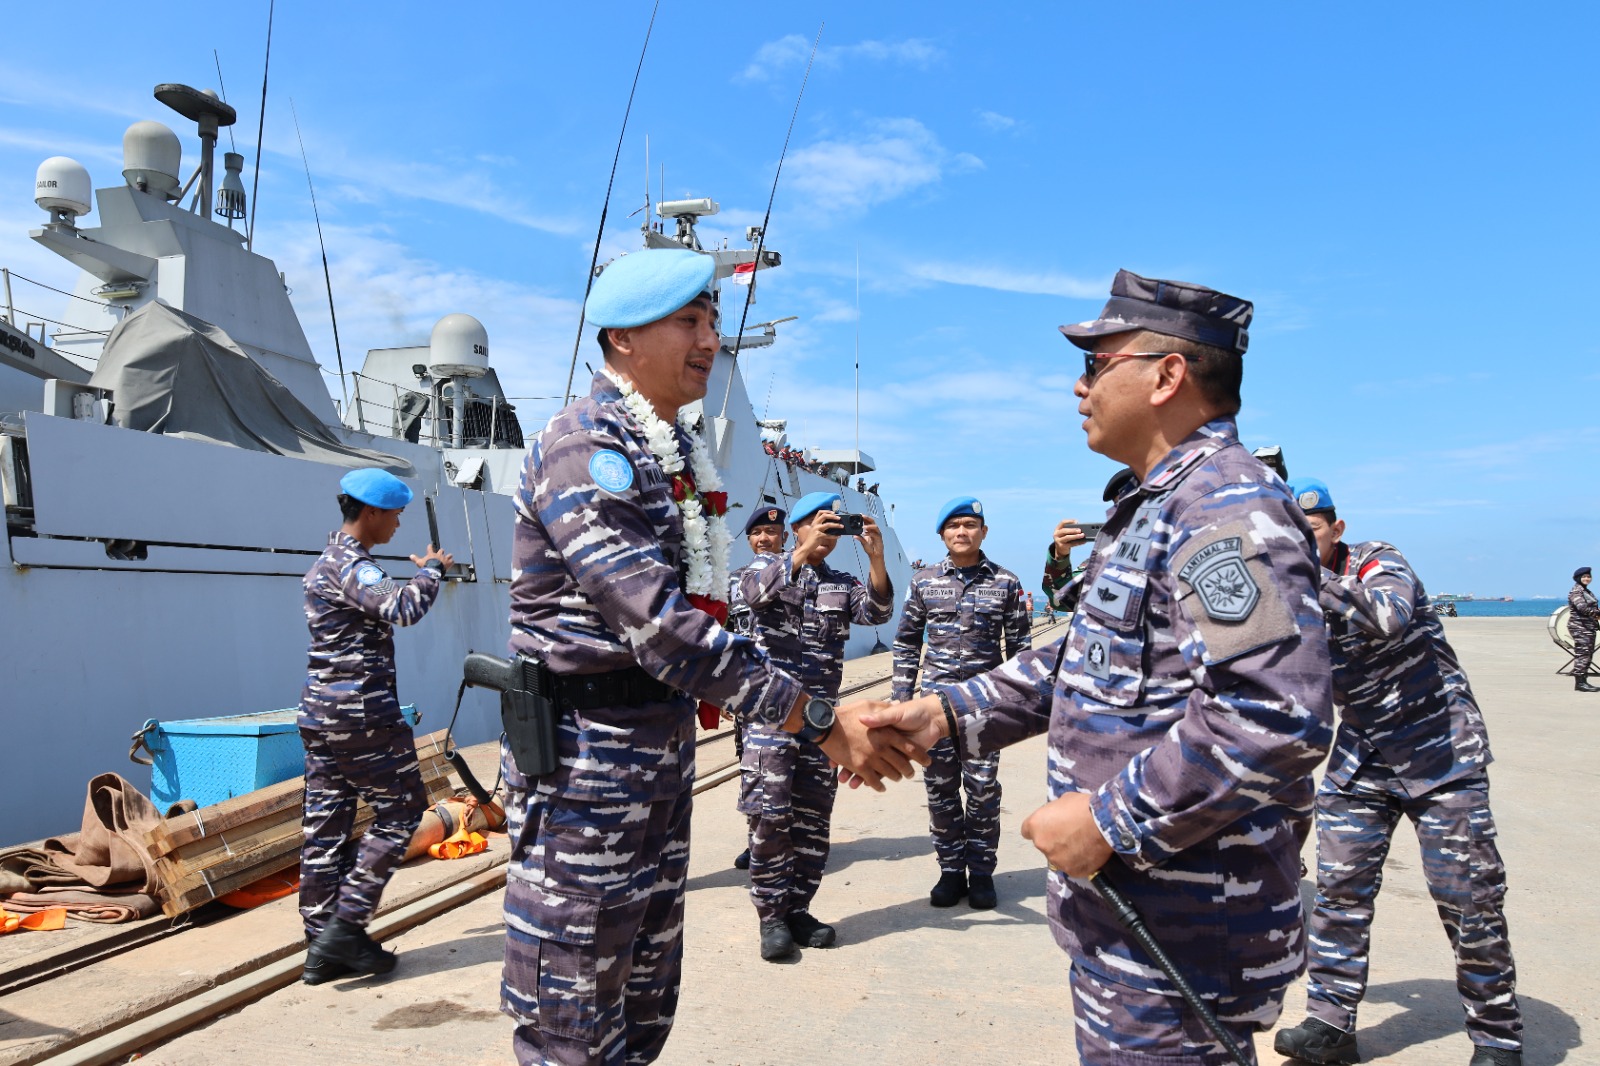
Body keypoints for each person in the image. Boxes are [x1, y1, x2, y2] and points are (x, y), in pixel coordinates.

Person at [858, 269, 1333, 1064]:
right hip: (1133, 914)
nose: (1079, 387)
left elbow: (1273, 713)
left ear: (1167, 375)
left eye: (1096, 364)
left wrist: (1112, 818)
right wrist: (945, 713)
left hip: (1182, 926)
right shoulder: (1156, 504)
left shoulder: (1221, 505)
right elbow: (1086, 653)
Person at [499, 248, 917, 1066]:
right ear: (622, 338)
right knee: (575, 1010)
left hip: (655, 757)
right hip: (586, 768)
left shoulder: (670, 452)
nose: (710, 340)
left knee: (643, 997)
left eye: (714, 321)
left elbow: (700, 615)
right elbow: (660, 626)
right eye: (689, 321)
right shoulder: (587, 447)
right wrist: (817, 719)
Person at [1274, 478, 1523, 1066]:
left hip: (1441, 750)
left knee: (1469, 900)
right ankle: (1330, 1024)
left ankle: (1497, 1038)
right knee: (1338, 893)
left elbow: (1388, 616)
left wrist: (1305, 575)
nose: (1300, 545)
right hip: (1363, 755)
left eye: (1311, 533)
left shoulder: (1376, 561)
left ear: (1336, 529)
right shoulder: (1287, 596)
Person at [297, 467, 453, 984]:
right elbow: (403, 607)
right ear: (370, 512)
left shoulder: (326, 562)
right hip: (361, 715)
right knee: (401, 811)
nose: (398, 524)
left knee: (326, 825)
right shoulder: (352, 566)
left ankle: (322, 945)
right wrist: (433, 571)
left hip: (322, 714)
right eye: (395, 515)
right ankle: (345, 927)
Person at [738, 490, 894, 961]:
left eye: (834, 526)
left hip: (822, 725)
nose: (827, 532)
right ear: (798, 529)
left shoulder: (842, 584)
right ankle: (771, 917)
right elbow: (752, 596)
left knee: (812, 820)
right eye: (819, 524)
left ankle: (798, 910)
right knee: (770, 817)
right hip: (771, 720)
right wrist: (800, 555)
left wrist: (877, 559)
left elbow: (878, 612)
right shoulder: (762, 569)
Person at [891, 496, 1031, 910]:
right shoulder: (924, 582)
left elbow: (1020, 651)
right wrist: (901, 701)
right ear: (942, 535)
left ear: (983, 532)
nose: (962, 532)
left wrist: (1017, 706)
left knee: (983, 789)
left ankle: (982, 873)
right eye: (953, 526)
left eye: (970, 525)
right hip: (934, 709)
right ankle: (951, 871)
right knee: (940, 788)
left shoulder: (1005, 583)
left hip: (984, 708)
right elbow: (906, 643)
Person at [727, 506, 788, 871]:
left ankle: (792, 841)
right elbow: (726, 636)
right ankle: (757, 843)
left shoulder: (799, 575)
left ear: (785, 537)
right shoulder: (734, 581)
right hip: (749, 696)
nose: (765, 538)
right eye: (758, 533)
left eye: (772, 532)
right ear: (749, 539)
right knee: (752, 771)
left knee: (793, 773)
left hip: (792, 692)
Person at [1568, 566, 1598, 692]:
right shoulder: (1577, 592)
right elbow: (1582, 608)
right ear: (1578, 578)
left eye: (1589, 577)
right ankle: (1580, 683)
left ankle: (1583, 681)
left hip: (1588, 627)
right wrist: (1598, 613)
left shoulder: (1586, 591)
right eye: (1584, 577)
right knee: (1583, 655)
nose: (1587, 579)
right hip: (1580, 627)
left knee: (1587, 654)